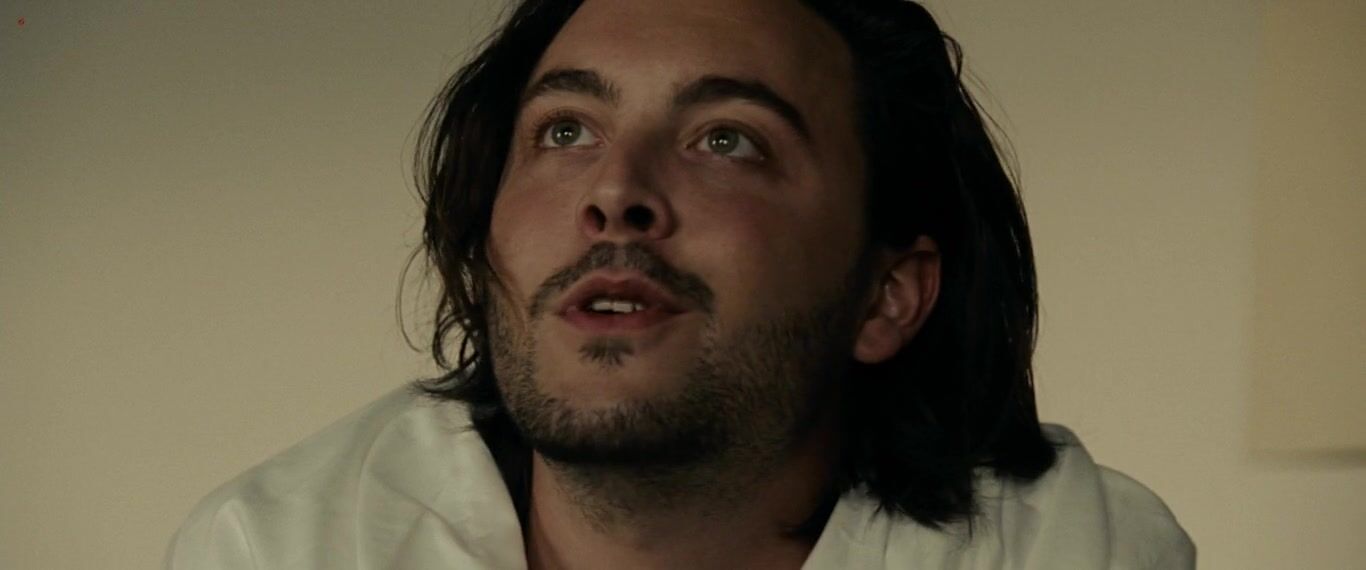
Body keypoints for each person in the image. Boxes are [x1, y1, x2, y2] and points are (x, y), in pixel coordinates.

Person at [166, 0, 1195, 567]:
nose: (615, 192)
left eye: (726, 140)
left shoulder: (1068, 554)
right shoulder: (275, 551)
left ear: (886, 294)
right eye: (565, 131)